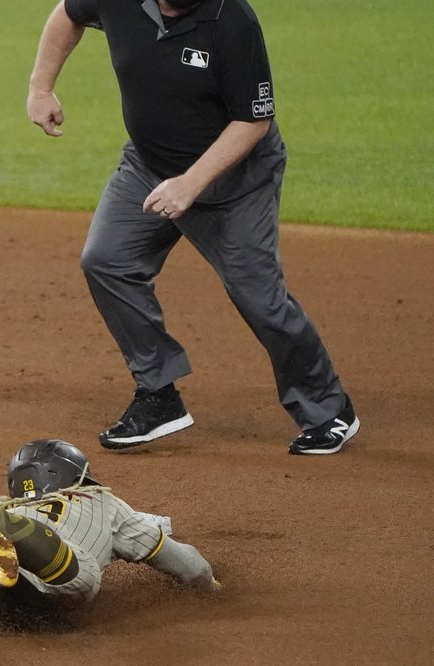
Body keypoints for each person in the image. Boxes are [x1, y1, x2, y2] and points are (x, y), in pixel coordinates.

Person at [26, 0, 359, 455]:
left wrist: (190, 184)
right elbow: (68, 14)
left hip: (236, 181)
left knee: (258, 296)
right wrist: (41, 88)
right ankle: (159, 393)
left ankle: (328, 408)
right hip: (150, 165)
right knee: (107, 260)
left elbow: (253, 120)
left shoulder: (232, 20)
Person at [0, 439, 219, 626]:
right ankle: (15, 538)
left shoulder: (5, 502)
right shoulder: (101, 501)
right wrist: (209, 585)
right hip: (52, 594)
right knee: (78, 573)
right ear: (74, 476)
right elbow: (186, 564)